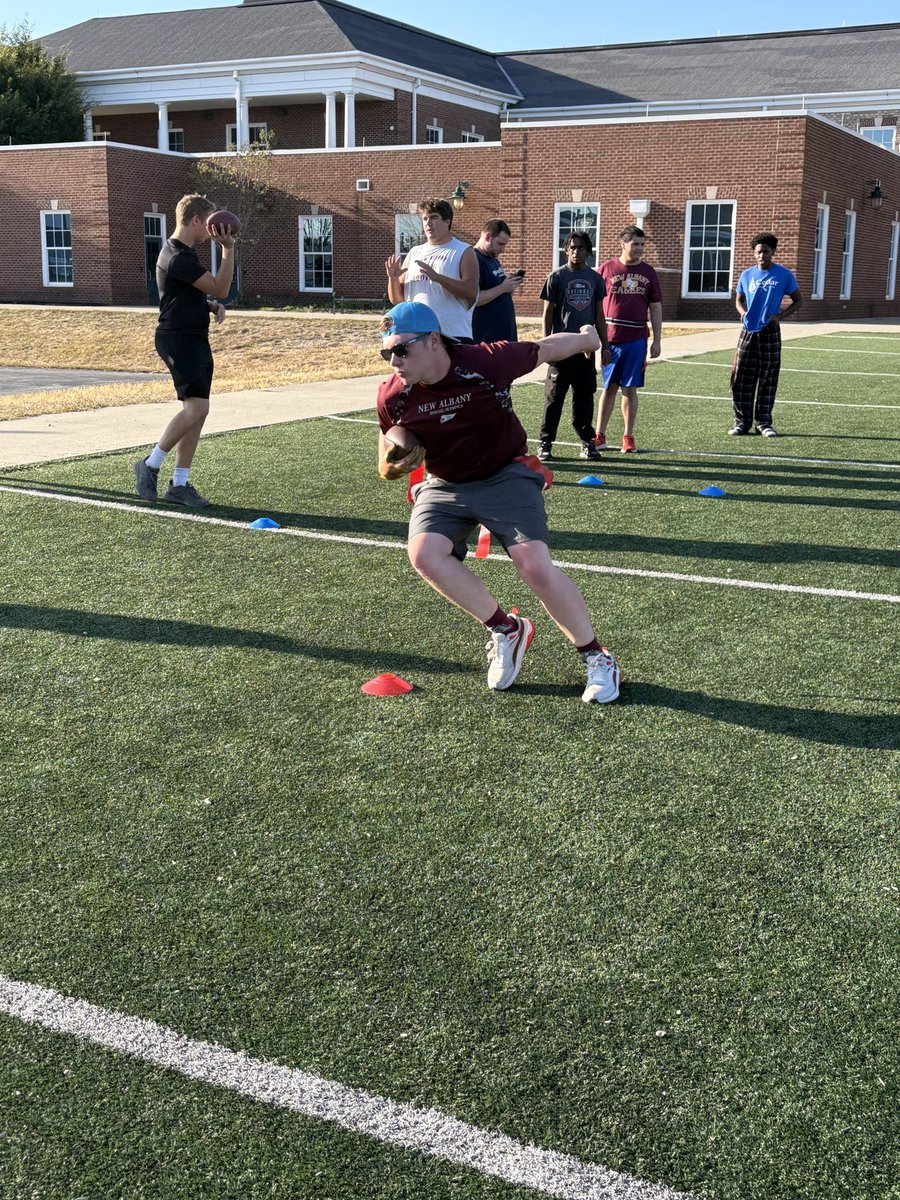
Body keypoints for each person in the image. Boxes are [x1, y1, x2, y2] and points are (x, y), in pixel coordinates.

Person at [376, 300, 621, 704]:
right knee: (423, 553)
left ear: (434, 340)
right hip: (446, 482)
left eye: (402, 349)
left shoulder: (484, 362)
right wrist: (393, 464)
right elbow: (387, 447)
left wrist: (584, 338)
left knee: (533, 563)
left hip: (505, 472)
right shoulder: (393, 396)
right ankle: (506, 628)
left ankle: (597, 656)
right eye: (387, 352)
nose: (394, 360)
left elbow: (544, 349)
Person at [134, 193, 235, 506]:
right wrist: (228, 251)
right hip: (178, 338)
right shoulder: (179, 255)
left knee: (198, 412)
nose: (210, 231)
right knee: (196, 409)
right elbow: (221, 286)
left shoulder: (179, 252)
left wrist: (206, 304)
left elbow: (179, 294)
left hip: (192, 335)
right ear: (195, 220)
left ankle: (179, 484)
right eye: (207, 224)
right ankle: (149, 465)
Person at [537, 231, 610, 461]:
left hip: (585, 350)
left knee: (584, 397)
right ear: (566, 250)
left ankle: (587, 442)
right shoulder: (556, 277)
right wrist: (545, 345)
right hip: (561, 348)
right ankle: (546, 442)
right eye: (572, 247)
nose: (576, 251)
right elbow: (548, 314)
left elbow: (599, 316)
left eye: (581, 247)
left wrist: (605, 347)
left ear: (588, 251)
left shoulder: (595, 279)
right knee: (554, 397)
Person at [594, 225, 662, 454]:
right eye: (636, 244)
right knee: (608, 387)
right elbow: (594, 305)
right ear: (622, 244)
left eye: (642, 244)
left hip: (636, 339)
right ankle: (599, 435)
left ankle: (628, 436)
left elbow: (656, 307)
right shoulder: (605, 269)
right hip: (610, 340)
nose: (640, 249)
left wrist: (658, 340)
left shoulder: (649, 272)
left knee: (629, 388)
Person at [730, 233, 802, 437]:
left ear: (773, 253)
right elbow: (739, 300)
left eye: (766, 252)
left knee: (767, 377)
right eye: (758, 252)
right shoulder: (746, 275)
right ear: (754, 253)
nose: (762, 255)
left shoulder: (784, 275)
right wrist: (743, 313)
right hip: (748, 332)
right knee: (741, 378)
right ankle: (741, 423)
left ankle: (763, 423)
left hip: (770, 331)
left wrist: (780, 316)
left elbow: (798, 300)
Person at [385, 198, 478, 340]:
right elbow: (398, 300)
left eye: (434, 218)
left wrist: (439, 278)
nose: (428, 223)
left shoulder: (463, 251)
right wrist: (393, 279)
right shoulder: (414, 253)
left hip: (452, 335)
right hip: (418, 335)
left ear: (447, 222)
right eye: (424, 218)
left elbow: (471, 291)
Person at [472, 218, 523, 343]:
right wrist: (502, 288)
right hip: (487, 338)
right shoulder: (473, 259)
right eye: (500, 244)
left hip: (505, 335)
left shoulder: (493, 259)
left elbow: (498, 292)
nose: (503, 249)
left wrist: (509, 286)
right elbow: (474, 299)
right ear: (488, 236)